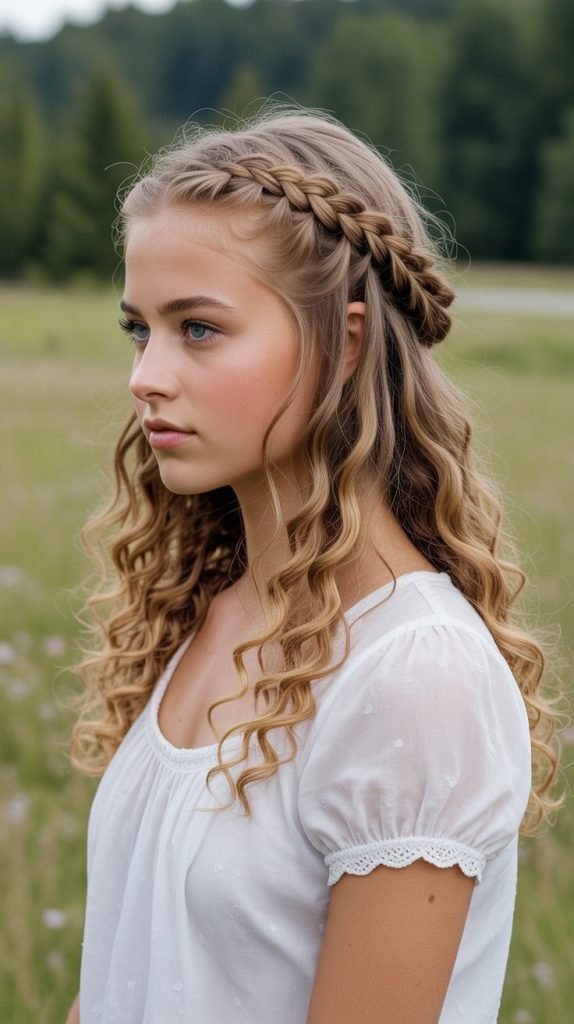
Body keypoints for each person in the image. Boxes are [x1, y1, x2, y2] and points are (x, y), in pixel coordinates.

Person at [66, 107, 560, 1024]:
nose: (147, 374)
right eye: (141, 329)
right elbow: (118, 978)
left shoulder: (412, 674)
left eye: (200, 329)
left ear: (349, 341)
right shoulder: (210, 614)